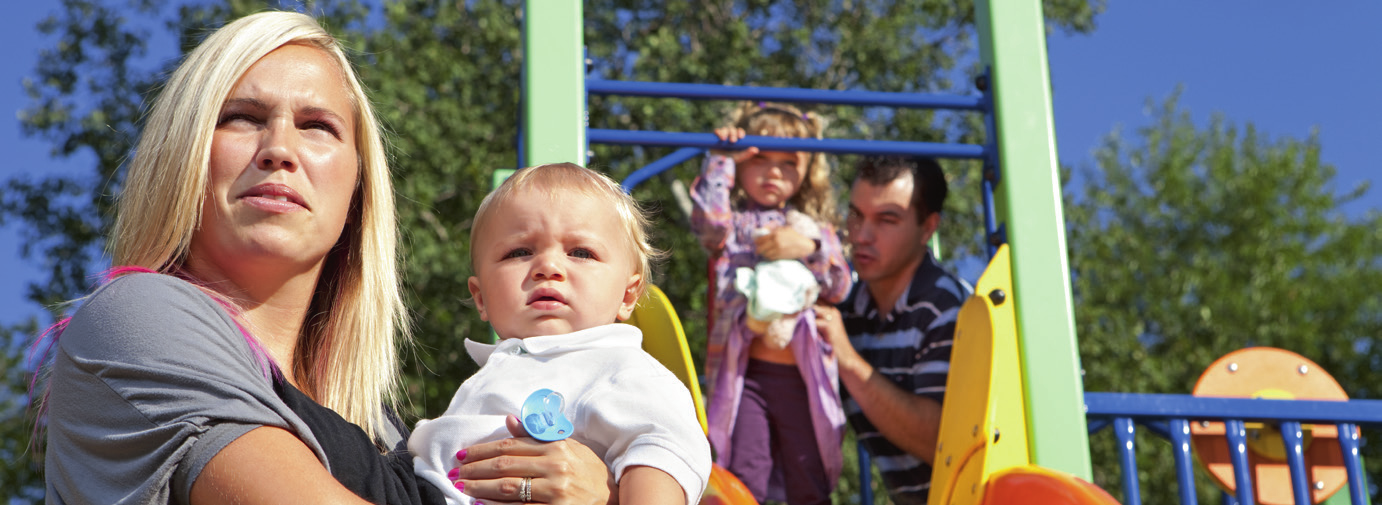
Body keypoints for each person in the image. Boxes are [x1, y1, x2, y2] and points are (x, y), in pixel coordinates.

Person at [34, 12, 615, 505]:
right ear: (183, 151)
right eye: (244, 117)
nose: (280, 150)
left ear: (357, 191)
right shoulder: (137, 319)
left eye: (317, 127)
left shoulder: (385, 432)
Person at [409, 163, 712, 505]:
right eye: (519, 252)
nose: (548, 267)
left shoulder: (621, 369)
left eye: (581, 253)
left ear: (628, 295)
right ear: (482, 298)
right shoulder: (502, 368)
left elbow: (663, 448)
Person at [691, 101, 853, 504]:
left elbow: (839, 285)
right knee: (746, 474)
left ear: (806, 170)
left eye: (788, 162)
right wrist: (722, 161)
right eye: (760, 158)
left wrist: (809, 247)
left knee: (808, 475)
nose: (774, 172)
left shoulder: (815, 230)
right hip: (748, 377)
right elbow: (709, 223)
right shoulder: (735, 225)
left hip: (803, 376)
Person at [814, 156, 972, 505]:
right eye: (856, 215)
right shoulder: (848, 310)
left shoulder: (948, 309)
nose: (861, 236)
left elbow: (942, 444)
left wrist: (847, 360)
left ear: (928, 228)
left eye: (887, 219)